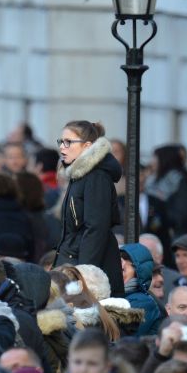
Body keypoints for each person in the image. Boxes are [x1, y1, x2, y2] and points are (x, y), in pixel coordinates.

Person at [52, 120, 124, 297]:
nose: (62, 147)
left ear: (87, 146)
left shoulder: (96, 176)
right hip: (72, 263)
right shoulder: (79, 175)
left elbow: (96, 229)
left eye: (69, 142)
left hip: (87, 270)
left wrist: (83, 275)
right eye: (61, 141)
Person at [118, 243, 163, 337]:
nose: (120, 269)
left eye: (124, 268)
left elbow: (121, 339)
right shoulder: (117, 295)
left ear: (139, 271)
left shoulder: (143, 302)